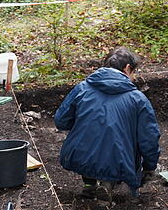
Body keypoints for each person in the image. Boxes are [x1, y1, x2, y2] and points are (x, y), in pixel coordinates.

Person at [54, 47, 160, 199]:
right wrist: (150, 166)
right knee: (116, 147)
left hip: (78, 156)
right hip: (118, 160)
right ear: (127, 68)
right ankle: (107, 184)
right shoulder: (137, 98)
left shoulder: (82, 88)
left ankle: (89, 184)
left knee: (92, 137)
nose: (134, 78)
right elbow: (149, 138)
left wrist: (83, 123)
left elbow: (60, 120)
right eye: (134, 72)